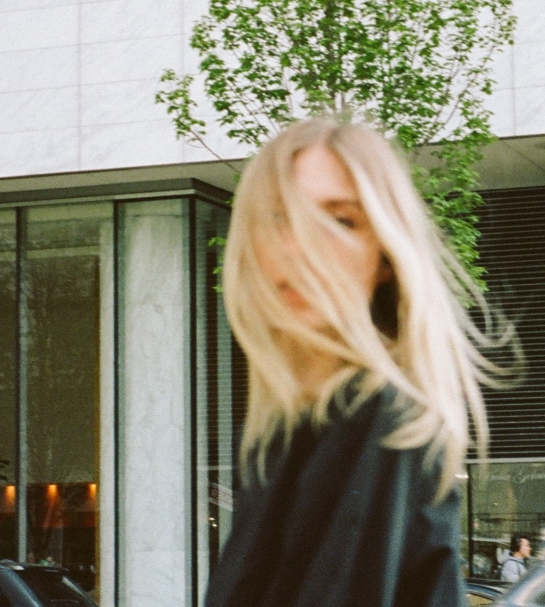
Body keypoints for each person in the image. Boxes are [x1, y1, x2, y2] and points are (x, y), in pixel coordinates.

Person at [203, 118, 501, 607]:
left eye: (341, 220)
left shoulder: (379, 417)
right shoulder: (279, 434)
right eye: (279, 218)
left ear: (384, 255)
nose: (299, 248)